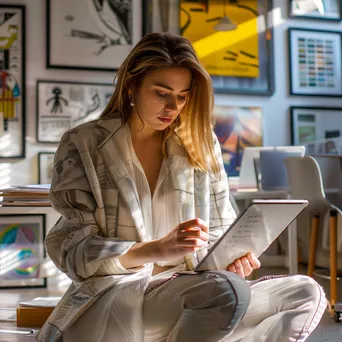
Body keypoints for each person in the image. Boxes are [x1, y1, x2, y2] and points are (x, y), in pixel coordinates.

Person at [37, 32, 326, 342]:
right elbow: (71, 250)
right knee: (224, 292)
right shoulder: (84, 144)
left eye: (183, 95)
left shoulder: (200, 144)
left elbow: (220, 227)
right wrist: (155, 249)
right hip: (121, 293)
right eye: (161, 93)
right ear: (131, 85)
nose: (173, 106)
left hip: (196, 285)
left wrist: (232, 258)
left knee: (305, 292)